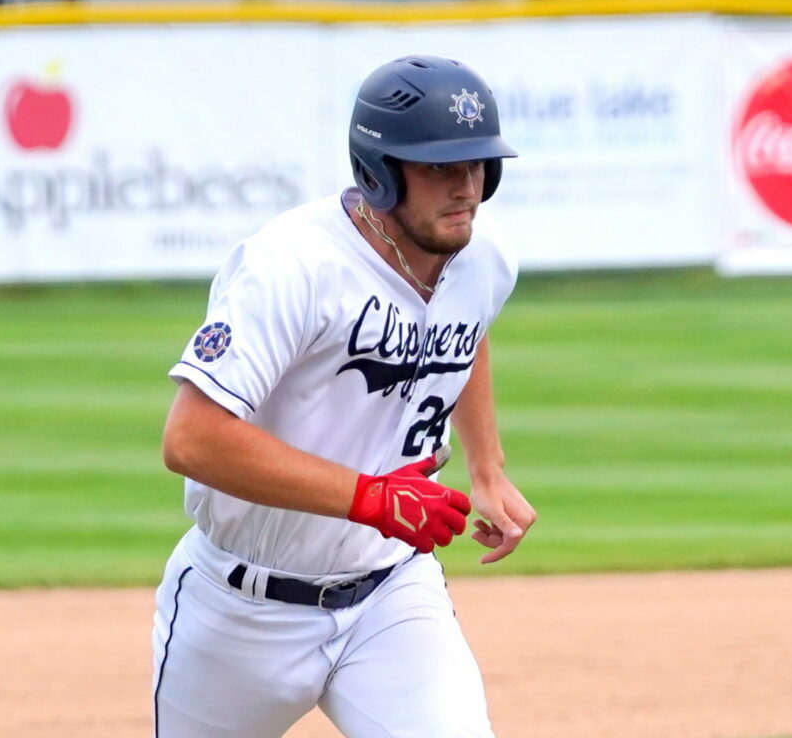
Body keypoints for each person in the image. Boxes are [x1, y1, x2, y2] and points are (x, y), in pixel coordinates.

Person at [153, 54, 539, 737]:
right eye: (440, 167)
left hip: (391, 595)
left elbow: (470, 323)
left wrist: (489, 468)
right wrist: (374, 497)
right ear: (380, 172)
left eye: (477, 165)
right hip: (238, 610)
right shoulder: (292, 266)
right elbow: (191, 439)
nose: (465, 187)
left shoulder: (481, 255)